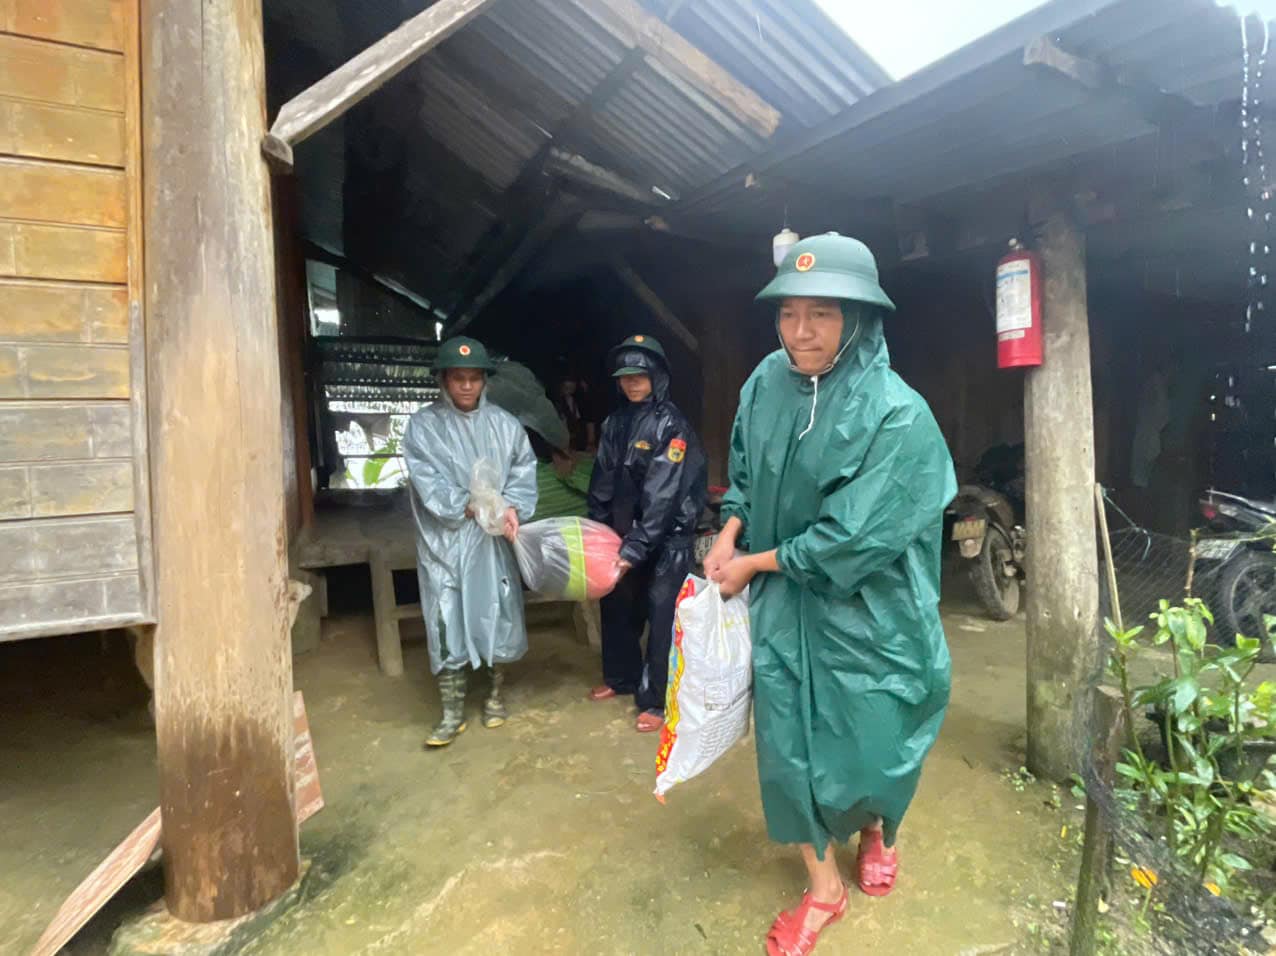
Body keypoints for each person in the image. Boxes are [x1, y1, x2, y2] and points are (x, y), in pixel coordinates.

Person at [703, 233, 956, 955]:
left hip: (873, 614)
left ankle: (879, 828)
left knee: (877, 738)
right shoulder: (765, 383)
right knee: (787, 745)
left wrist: (752, 563)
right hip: (785, 606)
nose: (800, 332)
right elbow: (744, 471)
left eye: (821, 313)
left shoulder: (898, 415)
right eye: (788, 313)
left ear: (860, 318)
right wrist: (729, 531)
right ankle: (824, 887)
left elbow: (851, 541)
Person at [402, 337, 537, 748]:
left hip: (491, 539)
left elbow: (523, 471)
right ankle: (451, 712)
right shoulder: (423, 427)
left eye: (474, 378)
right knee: (445, 616)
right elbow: (425, 478)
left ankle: (494, 696)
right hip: (444, 541)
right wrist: (466, 505)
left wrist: (508, 507)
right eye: (458, 378)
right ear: (443, 380)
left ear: (484, 381)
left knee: (497, 610)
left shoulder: (505, 425)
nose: (466, 386)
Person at [587, 334, 707, 733]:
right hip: (625, 534)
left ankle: (657, 698)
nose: (632, 383)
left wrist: (636, 546)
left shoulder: (672, 425)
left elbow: (663, 495)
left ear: (658, 376)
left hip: (668, 536)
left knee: (662, 615)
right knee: (617, 605)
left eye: (640, 376)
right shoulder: (615, 423)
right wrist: (598, 530)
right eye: (625, 377)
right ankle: (620, 677)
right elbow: (603, 480)